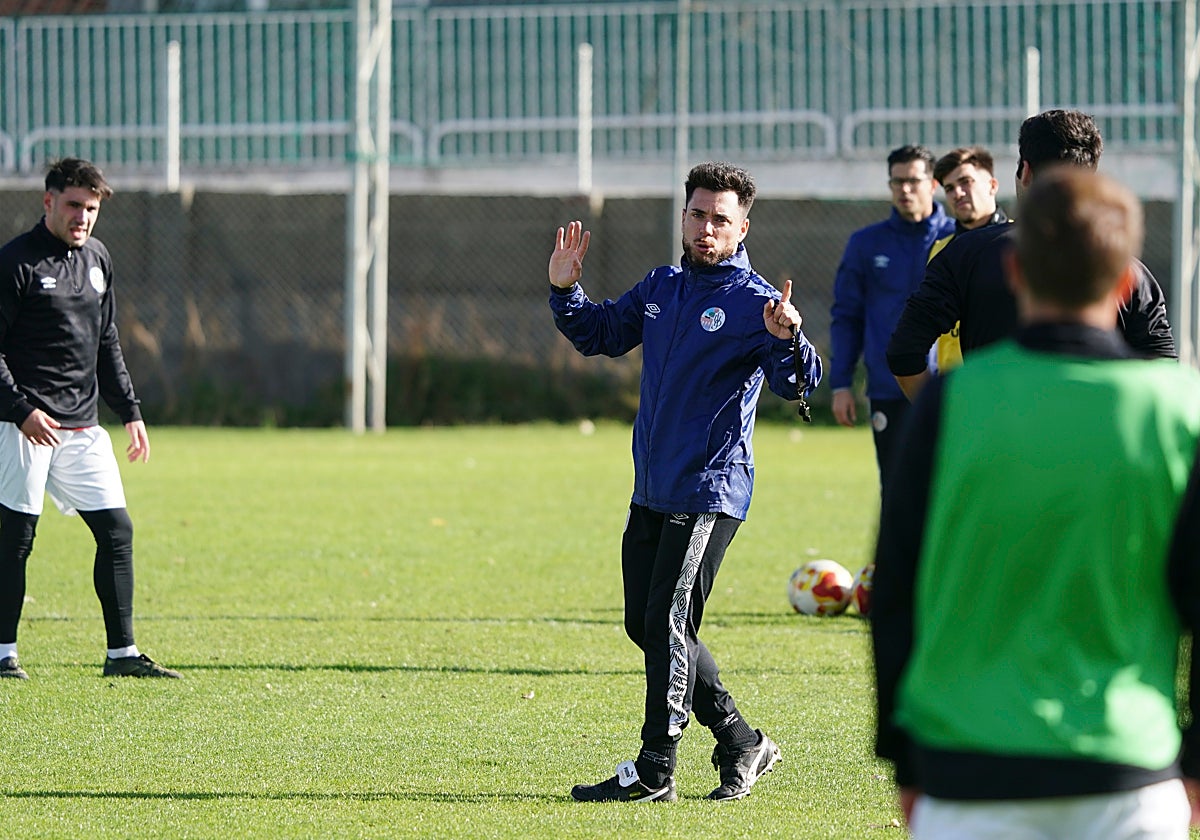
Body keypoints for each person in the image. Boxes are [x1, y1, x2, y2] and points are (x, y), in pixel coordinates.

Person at [871, 167, 1200, 838]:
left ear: (1015, 272)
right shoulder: (1179, 411)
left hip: (970, 778)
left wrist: (903, 759)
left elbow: (896, 592)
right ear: (1128, 283)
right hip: (1128, 776)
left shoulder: (950, 404)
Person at [547, 161, 821, 803]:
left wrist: (792, 339)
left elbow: (796, 383)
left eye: (720, 219)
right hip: (652, 486)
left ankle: (654, 768)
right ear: (683, 216)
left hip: (707, 490)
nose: (705, 229)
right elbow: (602, 334)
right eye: (697, 214)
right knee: (645, 626)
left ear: (742, 227)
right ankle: (739, 738)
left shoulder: (757, 304)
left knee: (668, 624)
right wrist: (566, 291)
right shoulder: (661, 286)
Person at [0, 158, 180, 680]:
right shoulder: (16, 262)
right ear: (49, 201)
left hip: (81, 425)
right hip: (23, 424)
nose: (82, 217)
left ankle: (122, 654)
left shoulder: (98, 258)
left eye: (92, 208)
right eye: (74, 205)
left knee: (116, 530)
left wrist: (130, 412)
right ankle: (3, 652)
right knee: (16, 535)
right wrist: (21, 409)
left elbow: (106, 341)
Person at [887, 109, 1176, 401]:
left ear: (1024, 171)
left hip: (997, 436)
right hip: (1104, 438)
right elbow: (1163, 364)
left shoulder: (966, 253)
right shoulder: (1126, 268)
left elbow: (904, 352)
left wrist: (947, 423)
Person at [828, 145, 954, 495]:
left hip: (950, 388)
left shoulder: (958, 239)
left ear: (933, 184)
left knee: (947, 489)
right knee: (897, 491)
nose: (905, 189)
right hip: (890, 387)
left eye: (914, 180)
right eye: (897, 181)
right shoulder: (866, 244)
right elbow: (847, 315)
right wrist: (841, 384)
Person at [925, 145, 1008, 374]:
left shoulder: (1019, 243)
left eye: (965, 182)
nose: (957, 193)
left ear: (992, 185)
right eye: (949, 188)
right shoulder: (941, 249)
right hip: (954, 387)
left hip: (1008, 382)